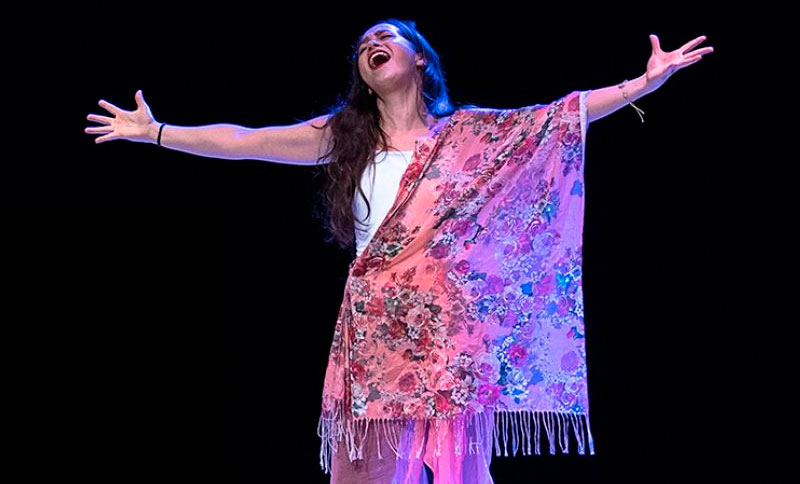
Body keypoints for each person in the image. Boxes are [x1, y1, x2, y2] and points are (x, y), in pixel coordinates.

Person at [86, 18, 713, 484]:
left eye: (383, 38)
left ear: (419, 59)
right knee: (365, 476)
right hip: (377, 328)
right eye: (361, 47)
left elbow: (559, 117)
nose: (369, 48)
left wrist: (643, 83)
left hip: (450, 331)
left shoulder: (468, 135)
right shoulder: (343, 137)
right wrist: (158, 132)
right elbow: (244, 141)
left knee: (459, 475)